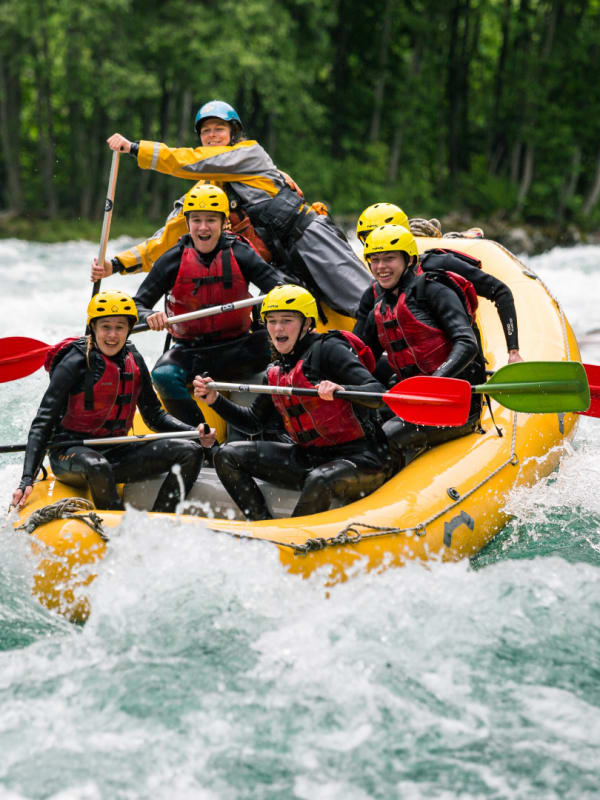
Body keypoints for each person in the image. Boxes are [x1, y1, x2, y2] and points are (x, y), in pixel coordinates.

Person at [95, 99, 371, 320]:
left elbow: (188, 161)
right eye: (206, 131)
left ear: (233, 133)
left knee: (362, 300)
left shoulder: (250, 153)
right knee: (296, 317)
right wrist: (117, 264)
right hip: (279, 262)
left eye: (219, 129)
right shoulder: (206, 192)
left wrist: (134, 148)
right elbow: (169, 236)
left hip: (308, 237)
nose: (212, 136)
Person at [192, 285, 389, 520]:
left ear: (307, 323)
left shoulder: (329, 350)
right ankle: (262, 526)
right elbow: (254, 423)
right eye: (272, 321)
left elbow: (378, 394)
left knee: (321, 479)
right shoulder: (276, 369)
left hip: (360, 458)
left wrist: (343, 389)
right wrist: (215, 400)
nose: (278, 328)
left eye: (287, 320)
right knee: (227, 455)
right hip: (308, 456)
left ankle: (292, 543)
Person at [11, 291, 215, 513]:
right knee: (97, 465)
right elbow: (43, 422)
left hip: (117, 450)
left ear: (129, 330)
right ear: (93, 328)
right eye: (105, 327)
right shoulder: (75, 362)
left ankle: (162, 520)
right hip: (70, 453)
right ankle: (118, 530)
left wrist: (193, 432)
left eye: (119, 327)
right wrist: (27, 478)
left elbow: (154, 415)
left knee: (190, 451)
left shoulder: (134, 360)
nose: (112, 335)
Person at [130, 183, 286, 428]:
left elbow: (281, 289)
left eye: (211, 220)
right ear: (188, 222)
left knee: (288, 358)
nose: (203, 228)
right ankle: (199, 440)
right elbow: (136, 307)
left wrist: (274, 304)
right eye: (197, 220)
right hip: (191, 352)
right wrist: (149, 315)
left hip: (241, 346)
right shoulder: (172, 260)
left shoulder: (241, 252)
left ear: (224, 222)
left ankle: (274, 431)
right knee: (163, 376)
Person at [359, 224, 488, 467]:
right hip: (413, 401)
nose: (380, 267)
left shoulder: (433, 289)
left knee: (383, 438)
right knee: (362, 426)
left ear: (408, 260)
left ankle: (393, 492)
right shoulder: (380, 307)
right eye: (374, 260)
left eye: (389, 259)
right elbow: (362, 362)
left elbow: (466, 343)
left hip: (455, 405)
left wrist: (434, 383)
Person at [354, 202, 523, 364]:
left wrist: (513, 352)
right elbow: (359, 348)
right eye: (369, 240)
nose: (377, 243)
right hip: (409, 374)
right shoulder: (374, 294)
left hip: (457, 366)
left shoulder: (439, 265)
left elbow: (500, 291)